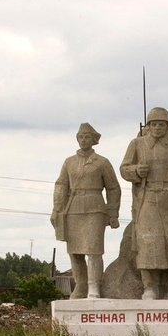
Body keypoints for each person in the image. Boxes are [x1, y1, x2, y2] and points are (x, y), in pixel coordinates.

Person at [119, 107, 168, 300]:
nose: (157, 128)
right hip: (148, 196)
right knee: (147, 242)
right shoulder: (137, 144)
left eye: (161, 124)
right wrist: (137, 170)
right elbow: (124, 169)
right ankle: (149, 287)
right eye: (154, 124)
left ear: (167, 126)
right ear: (148, 126)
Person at [51, 123, 121, 299]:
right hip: (73, 208)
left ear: (93, 140)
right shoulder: (69, 162)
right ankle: (81, 285)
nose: (83, 140)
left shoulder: (102, 162)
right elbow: (61, 185)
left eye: (87, 137)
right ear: (77, 138)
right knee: (74, 251)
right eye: (80, 136)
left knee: (94, 250)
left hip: (95, 208)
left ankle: (93, 287)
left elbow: (113, 188)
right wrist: (57, 209)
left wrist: (113, 213)